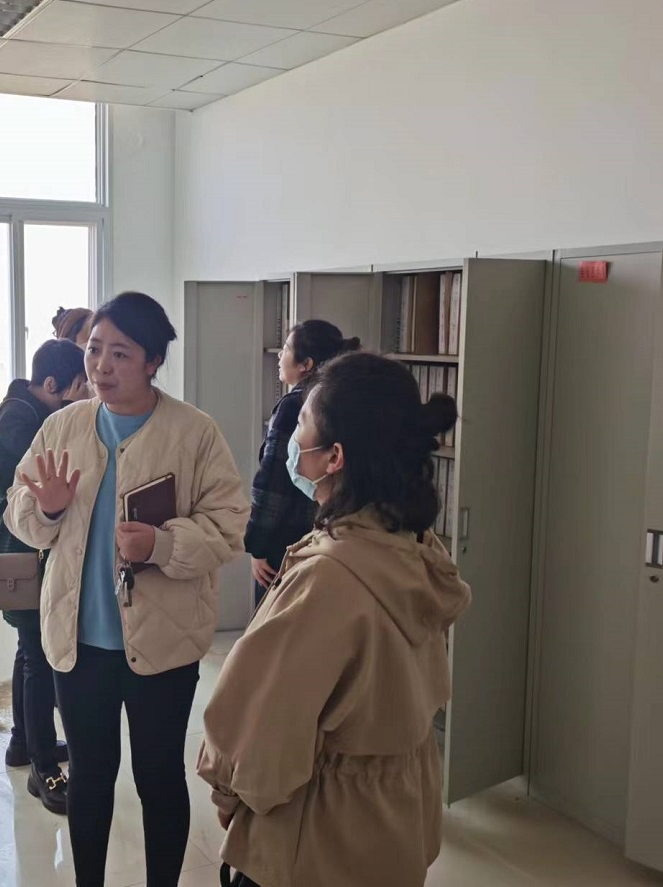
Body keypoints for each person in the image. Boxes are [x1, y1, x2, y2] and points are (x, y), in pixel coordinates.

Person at [197, 352, 472, 887]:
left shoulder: (328, 578)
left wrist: (230, 795)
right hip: (395, 824)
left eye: (302, 422)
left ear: (334, 457)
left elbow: (262, 726)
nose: (291, 436)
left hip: (316, 838)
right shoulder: (416, 550)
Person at [6, 292, 249, 887]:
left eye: (120, 353)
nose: (101, 366)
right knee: (90, 777)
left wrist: (161, 545)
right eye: (94, 350)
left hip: (165, 644)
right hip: (78, 642)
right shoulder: (62, 426)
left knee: (158, 777)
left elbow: (228, 526)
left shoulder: (194, 433)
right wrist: (49, 509)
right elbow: (20, 512)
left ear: (153, 361)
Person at [0, 338, 90, 814]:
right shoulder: (22, 418)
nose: (84, 395)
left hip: (23, 548)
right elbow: (35, 481)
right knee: (38, 658)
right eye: (78, 387)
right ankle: (43, 765)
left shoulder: (23, 408)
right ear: (51, 384)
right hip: (18, 549)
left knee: (29, 651)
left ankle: (23, 742)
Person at [246, 320, 360, 605]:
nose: (279, 356)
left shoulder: (294, 406)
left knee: (273, 620)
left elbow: (272, 482)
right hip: (329, 535)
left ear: (306, 364)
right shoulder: (338, 400)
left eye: (286, 349)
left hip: (285, 540)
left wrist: (257, 545)